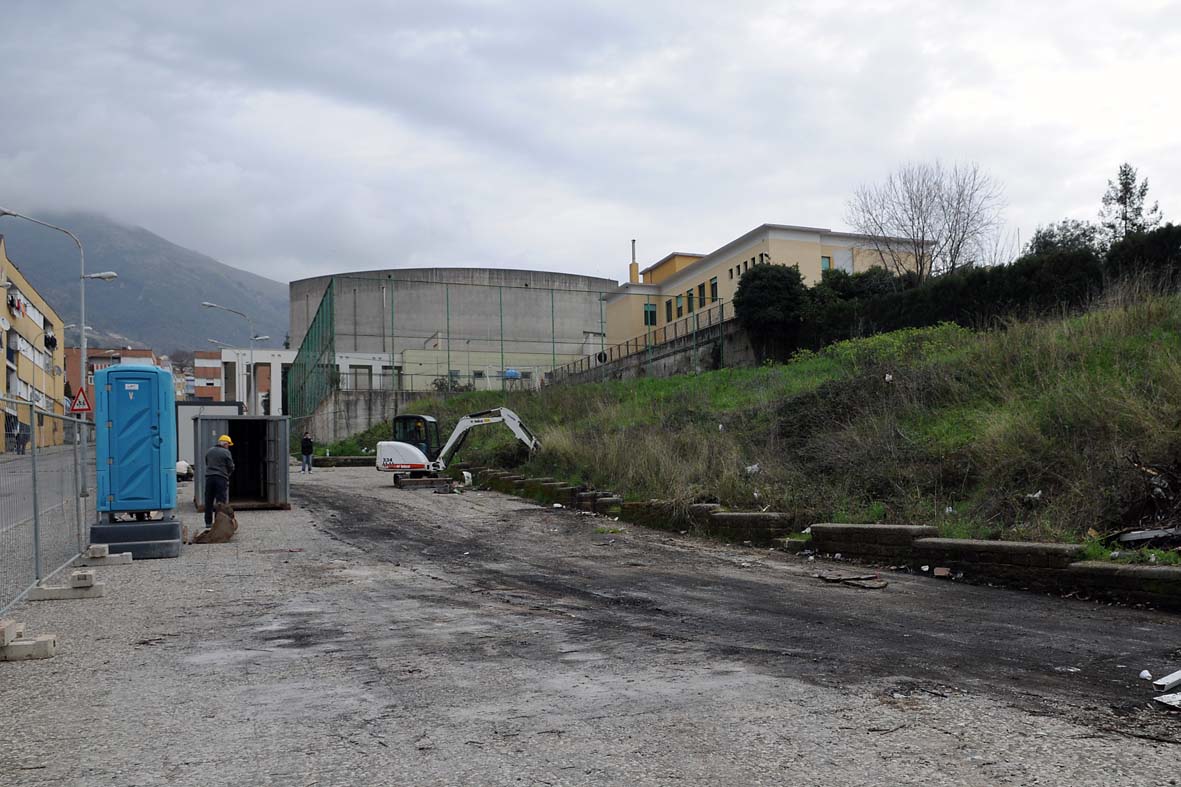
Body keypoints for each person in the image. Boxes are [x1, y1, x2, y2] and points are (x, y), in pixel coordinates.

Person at [203, 434, 235, 528]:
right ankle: (218, 522)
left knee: (208, 500)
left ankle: (208, 523)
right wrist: (227, 474)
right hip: (221, 478)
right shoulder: (226, 452)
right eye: (228, 444)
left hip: (209, 478)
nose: (228, 446)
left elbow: (207, 462)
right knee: (220, 502)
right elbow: (231, 466)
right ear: (225, 444)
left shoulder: (209, 451)